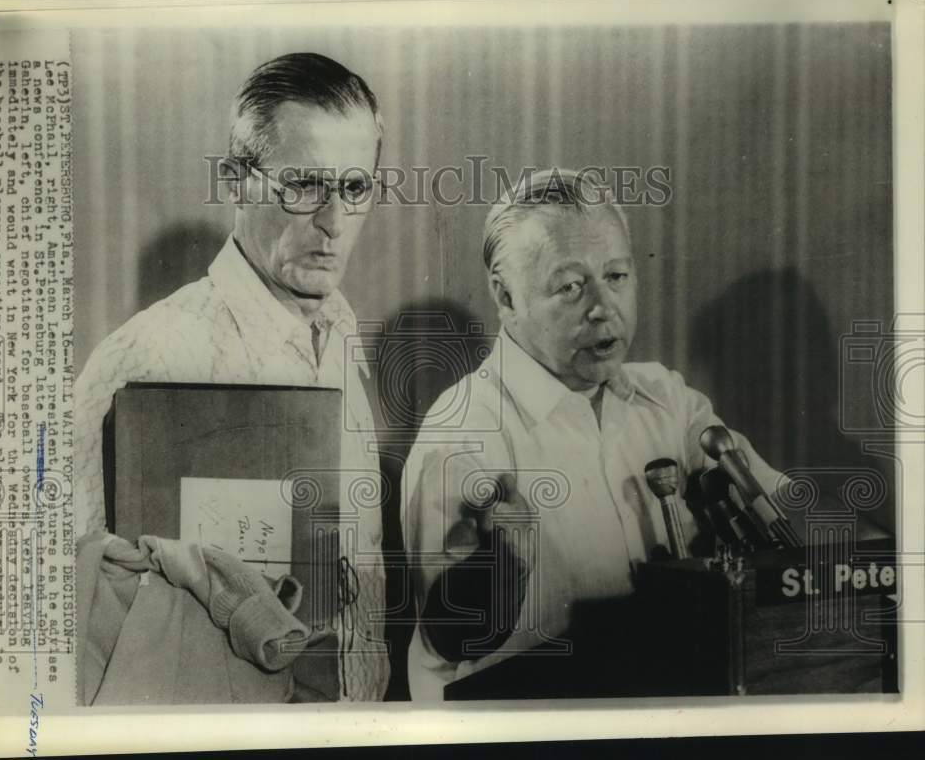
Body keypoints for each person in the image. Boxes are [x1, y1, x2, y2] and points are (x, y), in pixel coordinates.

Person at [400, 168, 792, 700]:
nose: (604, 308)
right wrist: (504, 567)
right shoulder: (463, 435)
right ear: (506, 296)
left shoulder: (668, 400)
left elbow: (786, 511)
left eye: (617, 276)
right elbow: (449, 638)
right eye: (570, 286)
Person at [74, 53, 389, 701]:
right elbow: (79, 613)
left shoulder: (340, 335)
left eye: (355, 188)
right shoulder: (150, 356)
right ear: (236, 180)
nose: (333, 221)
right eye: (304, 185)